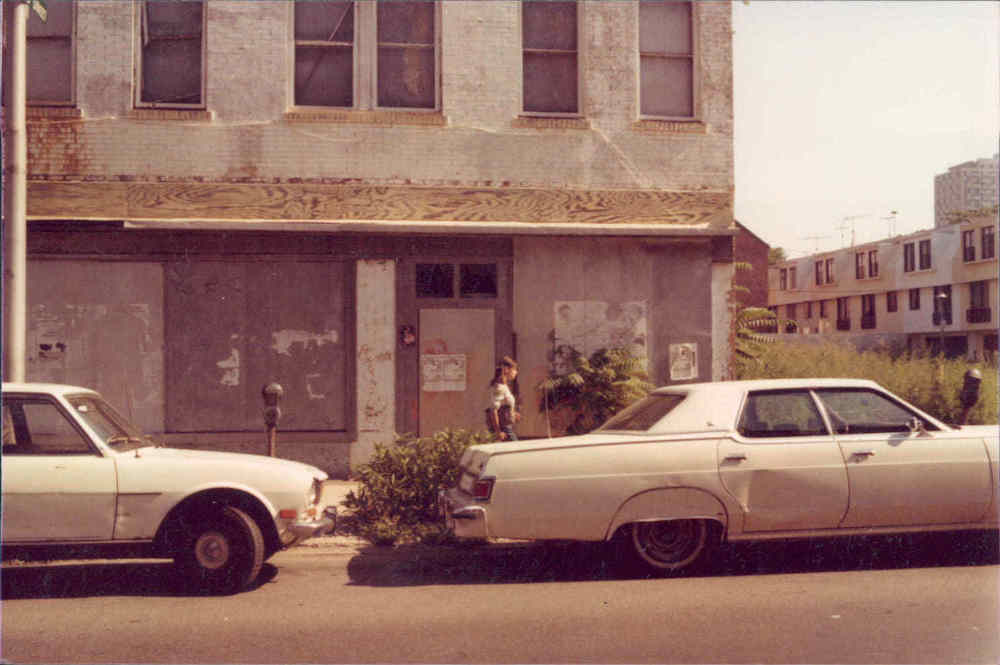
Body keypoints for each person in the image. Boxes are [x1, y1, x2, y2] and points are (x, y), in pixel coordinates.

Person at [485, 356, 520, 441]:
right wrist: (498, 432)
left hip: (505, 427)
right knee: (516, 450)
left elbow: (503, 406)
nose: (516, 372)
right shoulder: (499, 387)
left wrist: (513, 413)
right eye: (515, 369)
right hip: (503, 429)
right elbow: (493, 410)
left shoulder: (503, 386)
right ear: (507, 370)